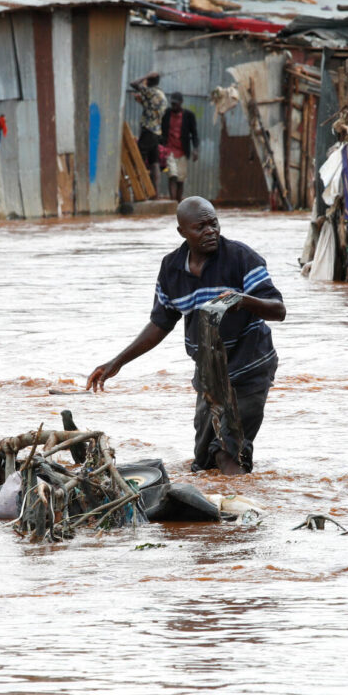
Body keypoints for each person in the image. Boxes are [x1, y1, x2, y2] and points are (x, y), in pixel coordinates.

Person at [88, 197, 285, 475]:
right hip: (209, 375)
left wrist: (243, 300)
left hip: (250, 368)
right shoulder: (172, 269)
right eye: (200, 227)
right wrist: (118, 362)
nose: (210, 231)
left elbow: (278, 310)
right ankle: (210, 512)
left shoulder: (241, 258)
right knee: (203, 462)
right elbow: (160, 323)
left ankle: (241, 512)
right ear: (182, 232)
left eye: (213, 223)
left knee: (230, 451)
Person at [130, 72, 169, 196]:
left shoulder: (151, 91)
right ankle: (155, 192)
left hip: (149, 130)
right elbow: (151, 107)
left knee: (138, 158)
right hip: (157, 132)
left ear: (149, 81)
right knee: (154, 162)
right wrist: (140, 100)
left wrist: (145, 75)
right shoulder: (160, 94)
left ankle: (139, 190)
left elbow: (134, 83)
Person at [160, 92, 199, 203]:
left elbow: (194, 134)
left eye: (175, 104)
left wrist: (195, 149)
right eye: (172, 104)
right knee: (172, 176)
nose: (173, 106)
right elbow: (161, 130)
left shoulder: (189, 116)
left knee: (180, 180)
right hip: (168, 150)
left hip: (183, 152)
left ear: (181, 103)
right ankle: (173, 203)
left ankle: (178, 203)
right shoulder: (166, 114)